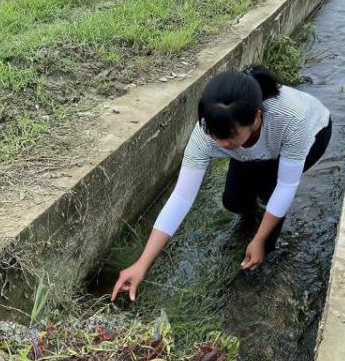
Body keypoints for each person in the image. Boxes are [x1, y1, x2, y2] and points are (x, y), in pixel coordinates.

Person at [111, 65, 332, 302]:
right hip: (251, 146)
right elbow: (181, 198)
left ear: (256, 118)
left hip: (313, 133)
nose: (220, 143)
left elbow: (286, 186)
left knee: (270, 189)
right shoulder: (209, 133)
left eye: (228, 136)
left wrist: (258, 240)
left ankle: (262, 251)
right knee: (233, 200)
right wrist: (142, 263)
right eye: (215, 135)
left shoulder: (291, 118)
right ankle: (250, 217)